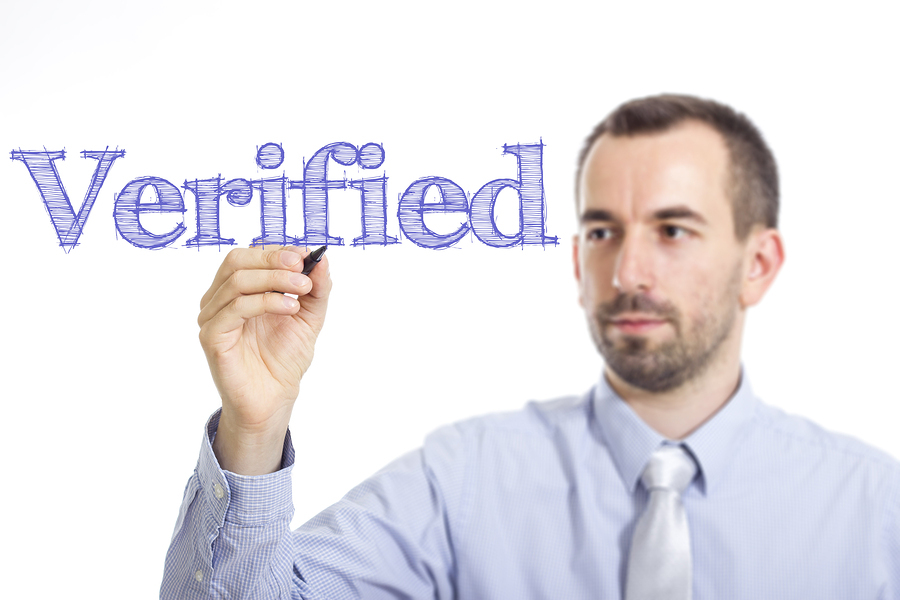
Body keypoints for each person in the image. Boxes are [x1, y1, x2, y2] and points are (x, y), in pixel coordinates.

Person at [161, 94, 900, 599]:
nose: (629, 271)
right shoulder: (460, 483)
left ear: (759, 264)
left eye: (674, 231)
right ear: (578, 264)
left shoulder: (877, 513)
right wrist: (252, 429)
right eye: (604, 232)